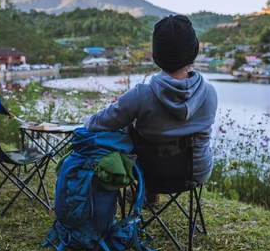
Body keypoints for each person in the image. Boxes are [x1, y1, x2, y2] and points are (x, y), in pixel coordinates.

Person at [83, 14, 218, 203]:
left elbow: (96, 124)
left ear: (156, 56)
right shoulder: (210, 93)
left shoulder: (140, 96)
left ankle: (147, 193)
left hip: (148, 174)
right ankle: (150, 195)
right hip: (195, 174)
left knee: (127, 129)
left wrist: (88, 121)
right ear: (193, 53)